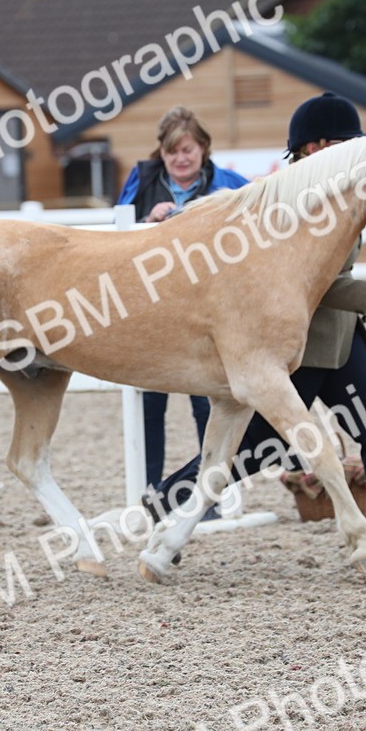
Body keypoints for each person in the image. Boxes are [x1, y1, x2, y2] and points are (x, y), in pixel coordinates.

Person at [142, 92, 366, 571]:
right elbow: (311, 283)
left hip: (341, 341)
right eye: (342, 144)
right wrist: (365, 295)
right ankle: (170, 501)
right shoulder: (288, 198)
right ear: (316, 148)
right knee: (253, 450)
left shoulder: (349, 192)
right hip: (296, 346)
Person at [117, 106, 249, 489]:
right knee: (149, 403)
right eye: (172, 150)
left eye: (187, 149)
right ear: (161, 151)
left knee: (208, 405)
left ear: (204, 148)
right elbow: (112, 242)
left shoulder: (229, 183)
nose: (180, 158)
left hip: (208, 314)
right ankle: (148, 492)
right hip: (151, 313)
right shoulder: (141, 182)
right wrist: (145, 225)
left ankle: (207, 494)